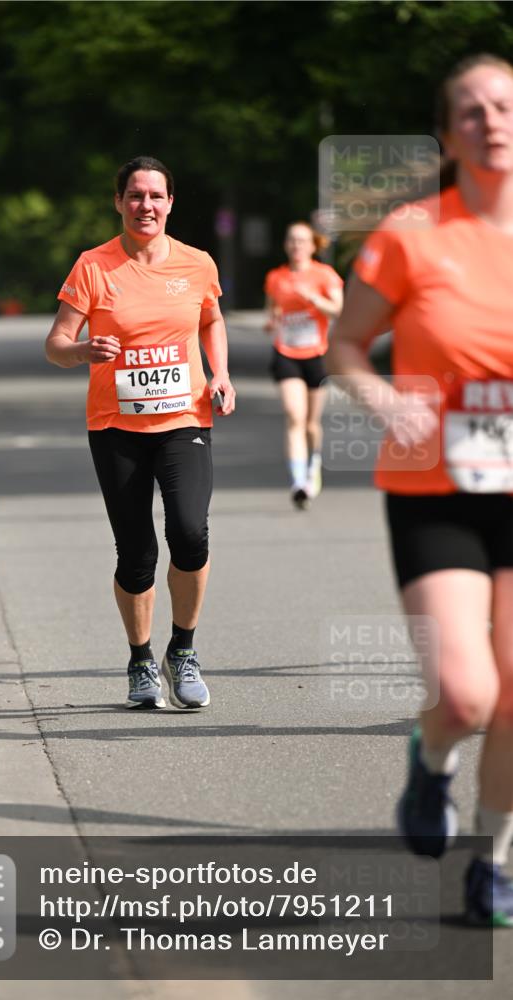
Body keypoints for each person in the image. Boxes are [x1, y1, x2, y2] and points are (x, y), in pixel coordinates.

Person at [328, 54, 513, 925]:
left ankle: (495, 861)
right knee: (467, 693)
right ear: (448, 136)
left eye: (505, 106)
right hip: (433, 480)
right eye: (471, 111)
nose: (491, 121)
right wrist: (378, 397)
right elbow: (343, 349)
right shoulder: (410, 233)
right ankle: (431, 758)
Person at [45, 156, 236, 710]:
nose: (145, 205)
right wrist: (82, 350)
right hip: (116, 428)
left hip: (184, 419)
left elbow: (211, 319)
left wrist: (220, 372)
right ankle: (140, 660)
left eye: (155, 196)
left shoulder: (197, 263)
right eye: (134, 196)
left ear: (170, 202)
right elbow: (55, 343)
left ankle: (183, 649)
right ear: (119, 203)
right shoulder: (93, 267)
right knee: (136, 553)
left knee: (190, 531)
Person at [263, 223, 343, 509]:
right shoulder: (276, 277)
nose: (296, 245)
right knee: (294, 416)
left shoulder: (324, 275)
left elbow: (338, 310)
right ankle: (298, 482)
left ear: (312, 245)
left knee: (311, 423)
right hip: (286, 352)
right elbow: (271, 310)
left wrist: (315, 299)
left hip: (317, 354)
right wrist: (271, 321)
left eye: (302, 241)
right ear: (286, 245)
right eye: (292, 240)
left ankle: (314, 465)